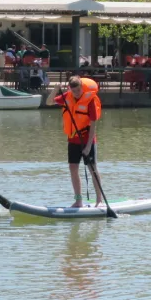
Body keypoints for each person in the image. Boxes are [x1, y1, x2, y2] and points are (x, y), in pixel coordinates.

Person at [48, 76, 104, 208]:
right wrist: (55, 90)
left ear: (82, 88)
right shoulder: (67, 96)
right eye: (74, 91)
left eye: (78, 90)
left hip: (87, 140)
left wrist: (89, 145)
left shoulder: (89, 101)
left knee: (92, 169)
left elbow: (93, 125)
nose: (77, 93)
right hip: (73, 139)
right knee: (73, 168)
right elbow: (49, 102)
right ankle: (78, 200)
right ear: (70, 89)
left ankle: (99, 200)